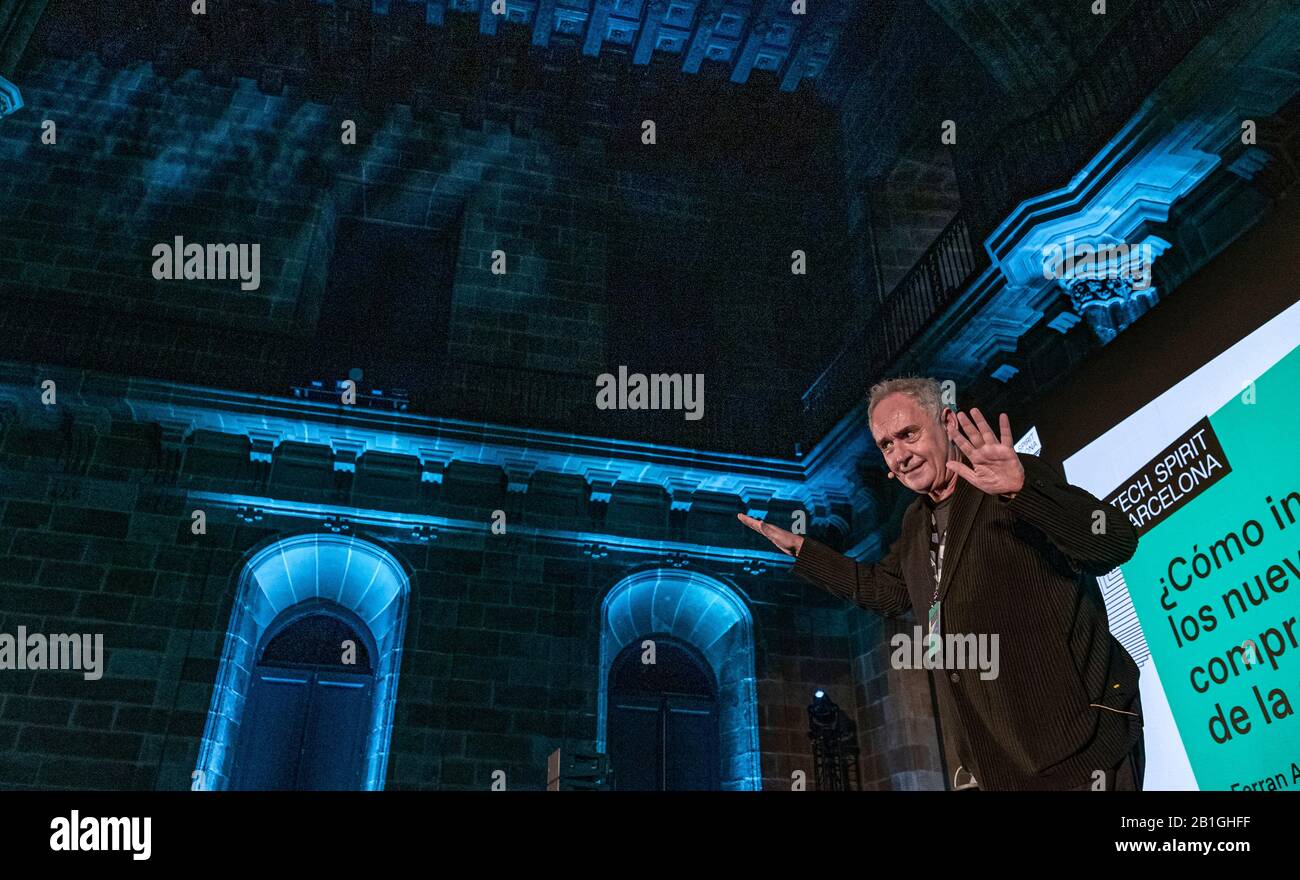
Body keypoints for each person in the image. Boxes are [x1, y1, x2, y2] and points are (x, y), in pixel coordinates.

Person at [739, 377, 1145, 791]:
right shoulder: (916, 522)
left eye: (908, 434)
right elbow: (887, 590)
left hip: (1080, 749)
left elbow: (1112, 543)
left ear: (947, 423)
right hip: (1003, 767)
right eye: (886, 445)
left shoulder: (1005, 485)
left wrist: (1022, 490)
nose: (900, 456)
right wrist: (804, 552)